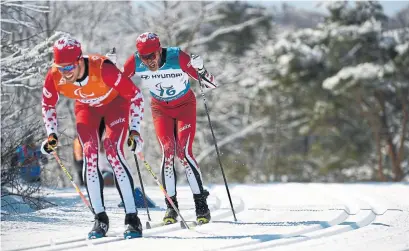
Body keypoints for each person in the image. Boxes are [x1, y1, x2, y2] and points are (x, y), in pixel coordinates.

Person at [40, 36, 145, 239]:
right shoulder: (55, 75)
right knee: (89, 153)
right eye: (60, 67)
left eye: (69, 67)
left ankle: (132, 218)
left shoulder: (103, 68)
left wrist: (134, 131)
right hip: (87, 108)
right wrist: (51, 133)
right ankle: (100, 218)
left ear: (80, 61)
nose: (65, 73)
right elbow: (47, 105)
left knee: (113, 150)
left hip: (115, 105)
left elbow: (136, 96)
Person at [120, 32, 217, 225]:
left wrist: (201, 69)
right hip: (160, 108)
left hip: (184, 107)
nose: (148, 61)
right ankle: (171, 207)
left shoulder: (177, 56)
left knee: (183, 151)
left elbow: (210, 84)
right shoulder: (135, 61)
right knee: (168, 152)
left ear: (159, 50)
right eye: (144, 57)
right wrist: (110, 68)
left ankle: (201, 205)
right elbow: (115, 84)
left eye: (152, 56)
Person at [73, 118, 115, 187]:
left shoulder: (106, 145)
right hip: (91, 169)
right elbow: (79, 158)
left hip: (107, 173)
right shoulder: (84, 141)